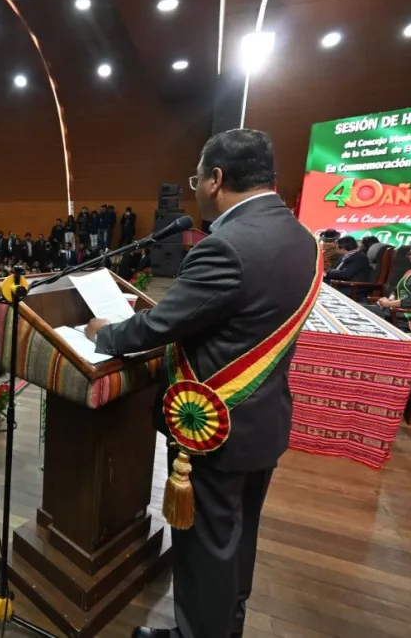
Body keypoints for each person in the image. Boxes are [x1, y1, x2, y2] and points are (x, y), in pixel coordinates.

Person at [85, 129, 320, 638]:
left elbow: (156, 328)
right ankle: (220, 628)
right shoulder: (302, 238)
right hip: (263, 421)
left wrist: (106, 333)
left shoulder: (227, 246)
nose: (194, 188)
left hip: (218, 429)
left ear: (216, 179)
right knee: (236, 539)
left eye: (197, 177)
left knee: (206, 548)